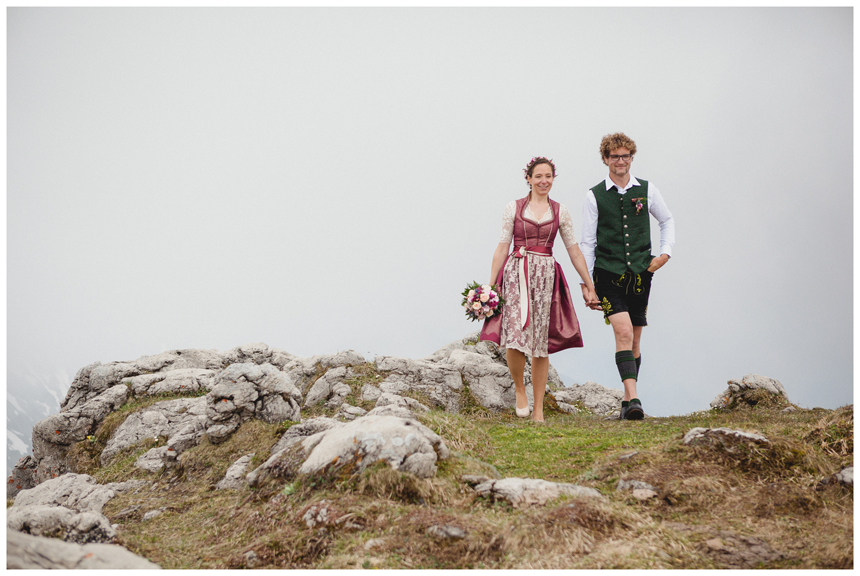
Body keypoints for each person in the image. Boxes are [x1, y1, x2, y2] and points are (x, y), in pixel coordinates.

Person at [481, 157, 601, 423]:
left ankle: (538, 409)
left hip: (546, 276)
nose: (544, 181)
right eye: (538, 176)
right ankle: (519, 389)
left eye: (548, 176)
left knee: (540, 344)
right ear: (529, 178)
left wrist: (590, 286)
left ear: (553, 179)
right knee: (515, 336)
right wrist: (490, 287)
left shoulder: (561, 211)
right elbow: (502, 247)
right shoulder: (513, 208)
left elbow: (574, 252)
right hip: (516, 274)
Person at [579, 133, 675, 420]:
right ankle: (634, 398)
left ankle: (626, 400)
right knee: (622, 332)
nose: (620, 161)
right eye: (614, 157)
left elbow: (667, 220)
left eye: (625, 156)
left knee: (634, 341)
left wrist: (665, 253)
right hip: (607, 274)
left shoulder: (647, 189)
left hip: (642, 275)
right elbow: (587, 242)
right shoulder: (594, 195)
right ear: (606, 159)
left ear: (631, 157)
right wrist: (587, 284)